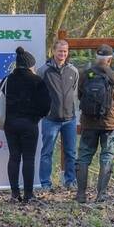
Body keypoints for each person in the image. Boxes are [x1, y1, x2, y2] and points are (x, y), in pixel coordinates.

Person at [76, 45, 114, 203]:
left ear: (96, 59)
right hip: (109, 124)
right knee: (107, 157)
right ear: (110, 59)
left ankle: (81, 194)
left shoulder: (85, 74)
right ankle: (101, 194)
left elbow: (80, 95)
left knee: (84, 157)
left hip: (89, 123)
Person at [3, 46, 51, 202]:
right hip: (29, 124)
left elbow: (2, 98)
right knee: (28, 158)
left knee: (14, 157)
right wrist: (37, 116)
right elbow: (46, 104)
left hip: (10, 124)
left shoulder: (8, 79)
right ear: (31, 65)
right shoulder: (36, 80)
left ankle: (14, 193)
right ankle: (28, 194)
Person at [39, 39, 80, 190]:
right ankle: (45, 183)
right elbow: (39, 93)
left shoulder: (73, 71)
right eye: (60, 51)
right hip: (51, 119)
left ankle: (70, 181)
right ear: (53, 51)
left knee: (70, 152)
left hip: (69, 119)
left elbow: (75, 93)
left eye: (65, 51)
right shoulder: (44, 70)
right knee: (47, 153)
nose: (62, 54)